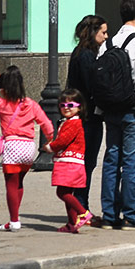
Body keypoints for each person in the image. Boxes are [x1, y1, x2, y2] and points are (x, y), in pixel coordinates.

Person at [94, 0, 135, 230]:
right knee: (131, 164)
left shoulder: (108, 43)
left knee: (112, 160)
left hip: (111, 110)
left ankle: (109, 214)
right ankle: (132, 213)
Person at [0, 65, 54, 232]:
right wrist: (50, 140)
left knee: (10, 185)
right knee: (19, 182)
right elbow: (46, 124)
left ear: (4, 89)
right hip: (28, 147)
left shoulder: (2, 104)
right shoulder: (31, 104)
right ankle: (15, 218)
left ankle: (14, 221)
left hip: (12, 146)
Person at [65, 14, 107, 215]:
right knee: (86, 164)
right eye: (103, 32)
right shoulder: (87, 57)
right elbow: (93, 87)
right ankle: (82, 208)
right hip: (88, 119)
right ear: (93, 33)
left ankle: (80, 207)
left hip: (83, 117)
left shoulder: (79, 53)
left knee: (83, 164)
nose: (106, 37)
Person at [42, 88, 93, 233]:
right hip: (72, 162)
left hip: (69, 163)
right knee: (67, 193)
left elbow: (63, 141)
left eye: (70, 106)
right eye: (62, 105)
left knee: (62, 193)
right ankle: (72, 224)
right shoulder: (70, 122)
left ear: (79, 107)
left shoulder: (73, 124)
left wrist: (50, 147)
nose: (66, 108)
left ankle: (83, 213)